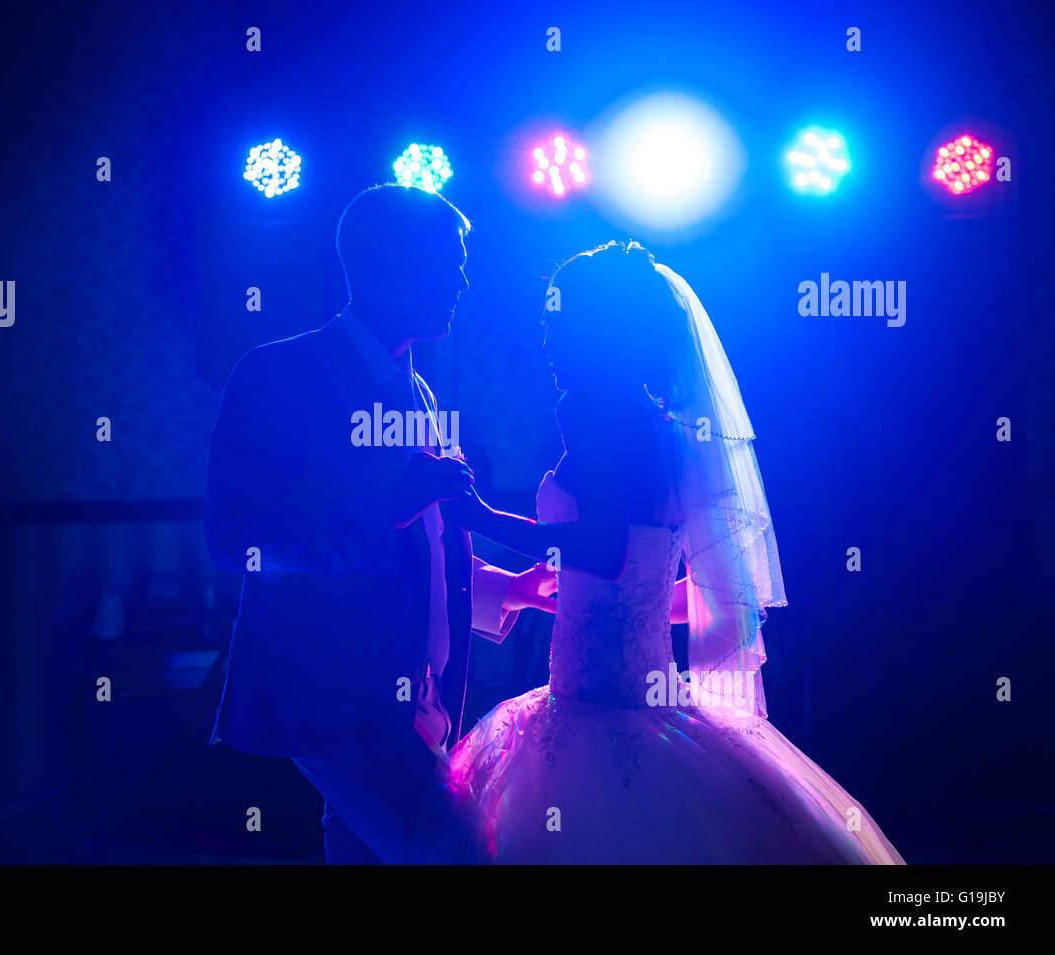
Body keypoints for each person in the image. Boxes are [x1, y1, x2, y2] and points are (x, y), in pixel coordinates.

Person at [447, 240, 905, 863]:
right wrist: (591, 601)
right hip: (652, 702)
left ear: (596, 330)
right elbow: (648, 567)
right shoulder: (657, 421)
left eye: (558, 323)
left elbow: (604, 547)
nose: (548, 343)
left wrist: (480, 517)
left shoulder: (589, 407)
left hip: (595, 704)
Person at [203, 183, 557, 863]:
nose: (462, 279)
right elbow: (233, 536)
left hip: (416, 700)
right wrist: (382, 509)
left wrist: (505, 588)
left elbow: (420, 546)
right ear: (384, 265)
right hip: (334, 700)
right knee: (458, 854)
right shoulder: (275, 373)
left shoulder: (420, 392)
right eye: (447, 261)